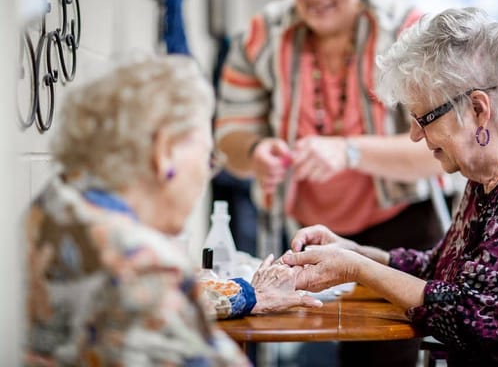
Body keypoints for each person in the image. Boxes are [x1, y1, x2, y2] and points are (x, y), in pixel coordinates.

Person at [282, 7, 498, 366]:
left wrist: (356, 268)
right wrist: (354, 252)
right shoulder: (488, 171)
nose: (416, 135)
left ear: (479, 109)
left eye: (423, 119)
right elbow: (440, 271)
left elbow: (479, 317)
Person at [23, 55, 322, 366]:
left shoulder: (50, 210)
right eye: (208, 159)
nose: (206, 175)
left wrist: (247, 294)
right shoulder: (142, 263)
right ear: (166, 151)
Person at [216, 0, 448, 364]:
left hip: (400, 227)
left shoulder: (407, 29)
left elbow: (441, 150)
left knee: (384, 355)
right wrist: (256, 151)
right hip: (307, 232)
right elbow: (228, 139)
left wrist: (349, 152)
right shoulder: (262, 33)